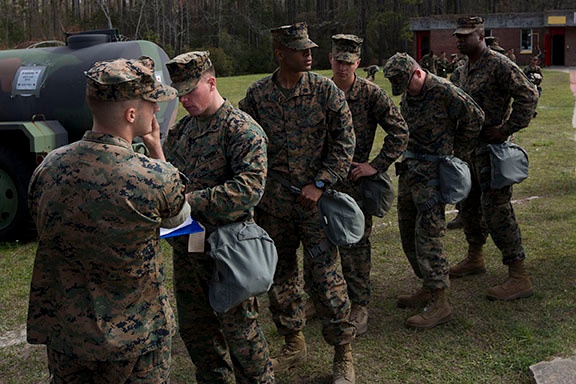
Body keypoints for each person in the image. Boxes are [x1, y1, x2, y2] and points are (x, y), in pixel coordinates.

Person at [27, 57, 190, 382]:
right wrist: (158, 152)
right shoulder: (155, 176)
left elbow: (39, 217)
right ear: (132, 115)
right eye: (152, 103)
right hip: (137, 341)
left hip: (68, 337)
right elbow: (179, 221)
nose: (156, 111)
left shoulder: (49, 167)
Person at [239, 22, 357, 384]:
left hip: (315, 206)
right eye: (301, 49)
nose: (310, 54)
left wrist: (321, 182)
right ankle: (294, 343)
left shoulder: (325, 91)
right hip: (274, 206)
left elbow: (344, 142)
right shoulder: (257, 96)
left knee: (327, 279)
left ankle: (343, 354)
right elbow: (242, 143)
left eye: (310, 48)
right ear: (280, 53)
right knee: (281, 276)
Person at [162, 51, 274, 383]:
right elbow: (170, 177)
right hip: (188, 246)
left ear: (211, 82)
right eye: (179, 93)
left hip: (229, 247)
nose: (184, 100)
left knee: (242, 336)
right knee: (197, 332)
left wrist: (190, 201)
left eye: (190, 91)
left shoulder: (241, 129)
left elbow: (250, 189)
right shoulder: (182, 131)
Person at [383, 52, 484, 329]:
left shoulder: (444, 90)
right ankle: (427, 286)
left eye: (406, 84)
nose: (405, 91)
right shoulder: (409, 91)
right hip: (411, 170)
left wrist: (456, 152)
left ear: (417, 73)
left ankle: (440, 302)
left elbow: (475, 117)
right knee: (407, 233)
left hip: (434, 175)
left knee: (429, 236)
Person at [325, 34, 408, 335]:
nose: (343, 67)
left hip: (354, 183)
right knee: (320, 245)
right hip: (321, 183)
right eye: (338, 60)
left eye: (349, 62)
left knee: (356, 246)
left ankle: (359, 304)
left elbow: (399, 132)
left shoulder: (371, 94)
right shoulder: (319, 91)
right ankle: (321, 296)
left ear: (358, 63)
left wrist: (374, 166)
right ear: (330, 60)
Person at [451, 16, 539, 301]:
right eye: (458, 36)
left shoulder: (499, 64)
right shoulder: (463, 67)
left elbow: (528, 95)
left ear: (480, 34)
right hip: (468, 152)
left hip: (491, 153)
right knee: (468, 206)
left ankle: (518, 274)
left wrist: (506, 128)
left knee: (497, 211)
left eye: (466, 35)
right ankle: (475, 257)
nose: (460, 40)